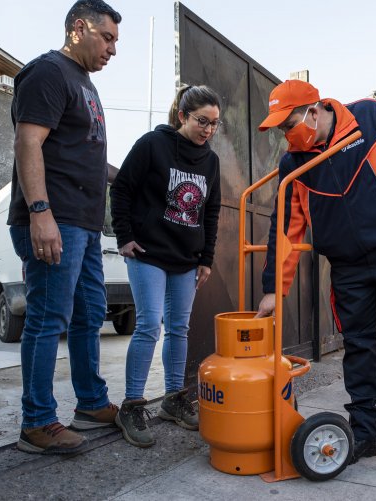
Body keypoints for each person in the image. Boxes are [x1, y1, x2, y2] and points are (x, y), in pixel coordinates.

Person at [256, 80, 376, 482]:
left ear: (312, 112)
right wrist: (274, 288)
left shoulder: (369, 118)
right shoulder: (295, 164)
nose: (285, 136)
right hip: (347, 267)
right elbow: (285, 229)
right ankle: (363, 434)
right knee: (357, 347)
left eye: (287, 125)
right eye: (279, 130)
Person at [7, 0, 122, 454]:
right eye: (107, 37)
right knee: (47, 318)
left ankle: (91, 403)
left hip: (85, 225)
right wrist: (40, 212)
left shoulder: (84, 84)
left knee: (90, 314)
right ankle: (36, 422)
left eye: (116, 41)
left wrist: (127, 176)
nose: (112, 50)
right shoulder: (48, 73)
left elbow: (85, 154)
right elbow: (27, 142)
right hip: (56, 220)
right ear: (79, 28)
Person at [109, 84, 222, 447]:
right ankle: (132, 405)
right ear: (182, 117)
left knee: (179, 328)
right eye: (202, 121)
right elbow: (122, 188)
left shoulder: (211, 161)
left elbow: (212, 211)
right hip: (148, 254)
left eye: (215, 124)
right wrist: (123, 236)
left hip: (186, 260)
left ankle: (174, 400)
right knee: (147, 326)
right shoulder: (152, 145)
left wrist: (206, 259)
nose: (208, 129)